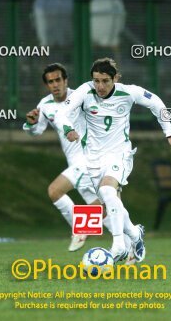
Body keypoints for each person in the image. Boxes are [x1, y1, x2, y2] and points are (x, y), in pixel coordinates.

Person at [54, 58, 171, 262]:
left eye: (105, 81)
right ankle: (135, 234)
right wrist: (68, 128)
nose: (100, 86)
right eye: (96, 80)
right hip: (93, 159)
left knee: (108, 192)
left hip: (120, 154)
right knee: (110, 202)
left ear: (115, 78)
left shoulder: (128, 92)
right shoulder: (85, 91)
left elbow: (156, 103)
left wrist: (169, 133)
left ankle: (118, 247)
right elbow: (61, 113)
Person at [23, 63, 134, 259]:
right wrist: (31, 124)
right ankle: (130, 247)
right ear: (47, 85)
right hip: (75, 162)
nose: (55, 85)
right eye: (51, 82)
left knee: (55, 190)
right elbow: (37, 131)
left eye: (58, 80)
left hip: (89, 158)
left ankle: (81, 228)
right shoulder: (45, 105)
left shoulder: (82, 96)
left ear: (66, 81)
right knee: (105, 209)